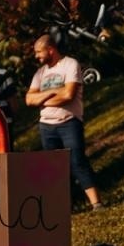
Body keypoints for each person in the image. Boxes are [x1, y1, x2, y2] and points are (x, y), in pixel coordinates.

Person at [25, 33, 102, 209]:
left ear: (50, 50)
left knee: (77, 162)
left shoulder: (70, 65)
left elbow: (68, 95)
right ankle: (65, 206)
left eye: (39, 52)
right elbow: (29, 99)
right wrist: (51, 94)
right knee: (55, 168)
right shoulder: (40, 73)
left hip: (69, 122)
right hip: (46, 126)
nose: (36, 56)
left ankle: (96, 203)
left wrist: (41, 99)